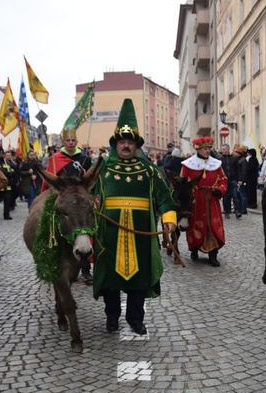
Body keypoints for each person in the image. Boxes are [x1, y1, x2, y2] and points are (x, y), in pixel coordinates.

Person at [92, 99, 177, 335]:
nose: (126, 146)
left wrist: (169, 219)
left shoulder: (149, 170)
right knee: (110, 279)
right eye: (122, 142)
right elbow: (89, 196)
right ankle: (111, 318)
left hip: (142, 235)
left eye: (130, 142)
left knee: (139, 280)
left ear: (136, 145)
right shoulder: (102, 169)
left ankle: (135, 319)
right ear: (115, 144)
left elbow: (165, 197)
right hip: (109, 234)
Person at [44, 127, 94, 283]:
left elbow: (88, 179)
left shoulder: (85, 158)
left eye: (73, 140)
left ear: (76, 141)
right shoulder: (55, 158)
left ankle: (86, 269)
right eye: (68, 140)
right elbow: (49, 178)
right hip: (62, 197)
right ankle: (55, 265)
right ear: (63, 142)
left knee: (86, 229)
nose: (71, 143)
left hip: (80, 199)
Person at [180, 136, 228, 267]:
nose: (207, 151)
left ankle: (213, 254)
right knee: (195, 224)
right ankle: (194, 248)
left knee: (212, 226)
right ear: (198, 149)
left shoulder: (216, 164)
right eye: (204, 148)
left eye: (209, 148)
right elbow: (182, 183)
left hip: (212, 199)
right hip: (196, 200)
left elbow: (224, 180)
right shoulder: (188, 165)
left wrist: (220, 189)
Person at [0, 147, 15, 220]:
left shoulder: (6, 162)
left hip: (7, 185)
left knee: (7, 200)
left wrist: (10, 172)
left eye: (2, 153)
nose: (1, 155)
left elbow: (12, 170)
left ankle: (6, 214)